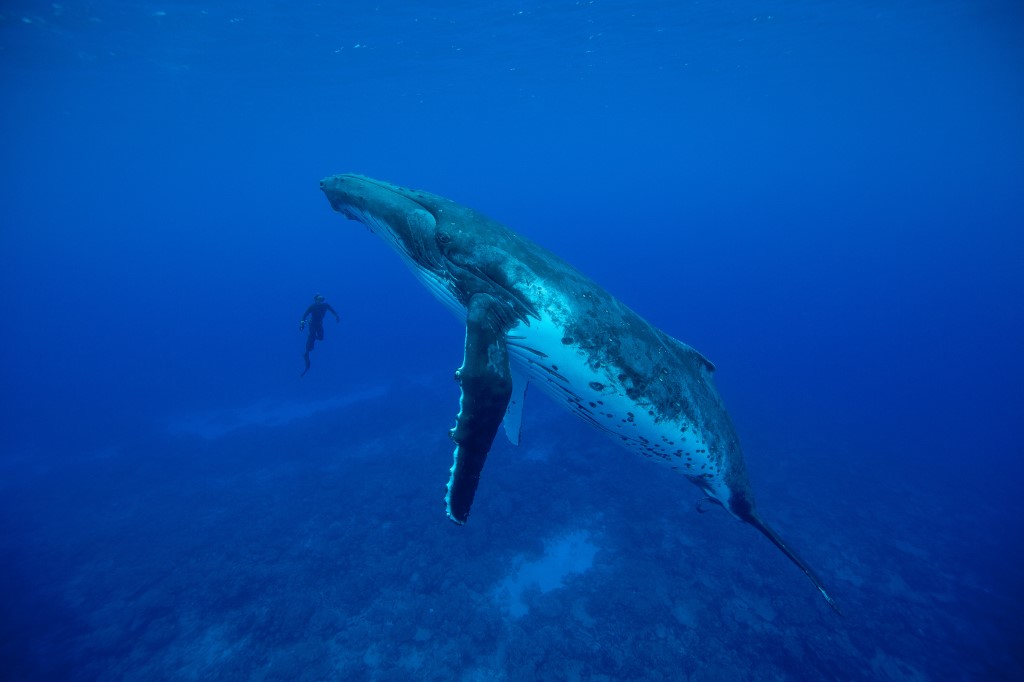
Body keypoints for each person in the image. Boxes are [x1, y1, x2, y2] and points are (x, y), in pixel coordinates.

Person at [299, 294, 339, 376]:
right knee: (312, 336)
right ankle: (307, 352)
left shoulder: (326, 305)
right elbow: (304, 315)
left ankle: (311, 339)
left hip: (319, 324)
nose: (321, 301)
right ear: (315, 300)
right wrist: (302, 324)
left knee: (321, 338)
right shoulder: (312, 307)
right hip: (312, 324)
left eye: (322, 299)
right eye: (319, 299)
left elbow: (333, 311)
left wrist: (337, 316)